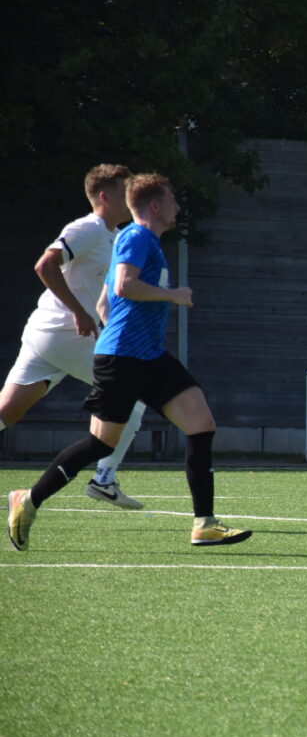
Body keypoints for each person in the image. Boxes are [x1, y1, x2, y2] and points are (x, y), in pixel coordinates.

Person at [7, 173, 251, 550]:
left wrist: (125, 326)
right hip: (123, 359)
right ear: (155, 205)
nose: (177, 206)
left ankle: (204, 523)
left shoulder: (136, 240)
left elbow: (105, 301)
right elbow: (123, 285)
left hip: (147, 355)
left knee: (201, 423)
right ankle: (29, 498)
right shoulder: (137, 237)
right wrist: (172, 296)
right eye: (172, 199)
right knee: (99, 444)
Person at [0, 164, 148, 509]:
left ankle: (103, 474)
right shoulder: (88, 228)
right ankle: (104, 479)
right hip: (67, 334)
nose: (131, 198)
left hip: (48, 334)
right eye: (124, 191)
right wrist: (79, 312)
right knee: (134, 395)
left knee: (8, 411)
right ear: (104, 196)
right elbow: (45, 265)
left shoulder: (115, 236)